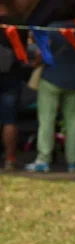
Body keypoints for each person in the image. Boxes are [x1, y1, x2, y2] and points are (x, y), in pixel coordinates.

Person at [28, 22, 75, 173]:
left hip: (51, 79)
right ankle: (72, 162)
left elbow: (44, 54)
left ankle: (44, 159)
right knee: (73, 122)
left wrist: (34, 63)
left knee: (47, 120)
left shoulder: (51, 28)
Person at [0, 29, 23, 170]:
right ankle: (10, 159)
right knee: (10, 120)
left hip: (10, 80)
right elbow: (22, 56)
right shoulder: (13, 28)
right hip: (10, 79)